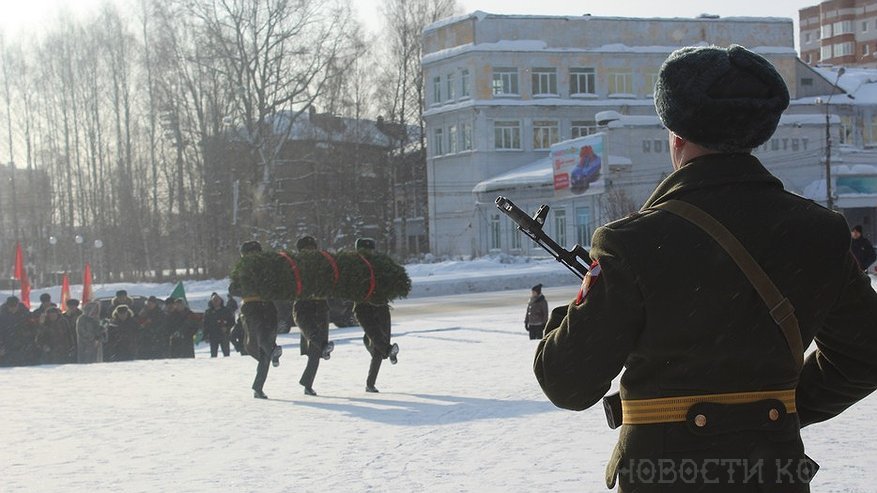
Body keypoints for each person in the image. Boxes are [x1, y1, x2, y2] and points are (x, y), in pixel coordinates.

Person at [534, 45, 877, 492]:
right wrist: (772, 413)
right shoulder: (820, 233)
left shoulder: (630, 243)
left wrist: (575, 307)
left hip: (665, 477)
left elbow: (566, 381)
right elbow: (866, 355)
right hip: (773, 473)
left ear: (675, 136)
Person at [229, 240, 282, 399]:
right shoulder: (246, 269)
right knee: (261, 337)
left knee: (262, 342)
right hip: (259, 306)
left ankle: (258, 387)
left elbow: (233, 289)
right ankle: (272, 352)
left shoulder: (262, 268)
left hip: (260, 306)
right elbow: (233, 289)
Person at [352, 237, 399, 393]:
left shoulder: (380, 266)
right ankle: (387, 351)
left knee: (379, 342)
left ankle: (371, 382)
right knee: (378, 340)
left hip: (380, 307)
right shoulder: (353, 267)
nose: (368, 254)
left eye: (370, 250)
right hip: (363, 308)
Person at [292, 235, 335, 396]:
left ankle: (307, 383)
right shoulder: (295, 265)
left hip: (321, 306)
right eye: (306, 249)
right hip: (303, 305)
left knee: (315, 351)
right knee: (313, 335)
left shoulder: (322, 264)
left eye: (312, 248)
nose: (310, 251)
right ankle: (324, 346)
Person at [0, 296, 30, 367]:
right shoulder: (1, 314)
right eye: (11, 307)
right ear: (7, 306)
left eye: (15, 306)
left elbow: (31, 328)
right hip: (6, 344)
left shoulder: (25, 313)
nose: (13, 309)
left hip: (22, 343)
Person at [203, 292, 235, 357]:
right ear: (211, 302)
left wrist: (227, 328)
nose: (216, 302)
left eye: (217, 300)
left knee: (226, 354)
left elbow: (232, 322)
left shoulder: (226, 310)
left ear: (220, 301)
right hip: (213, 335)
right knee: (213, 355)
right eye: (214, 300)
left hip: (224, 335)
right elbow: (205, 324)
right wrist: (205, 335)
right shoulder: (208, 312)